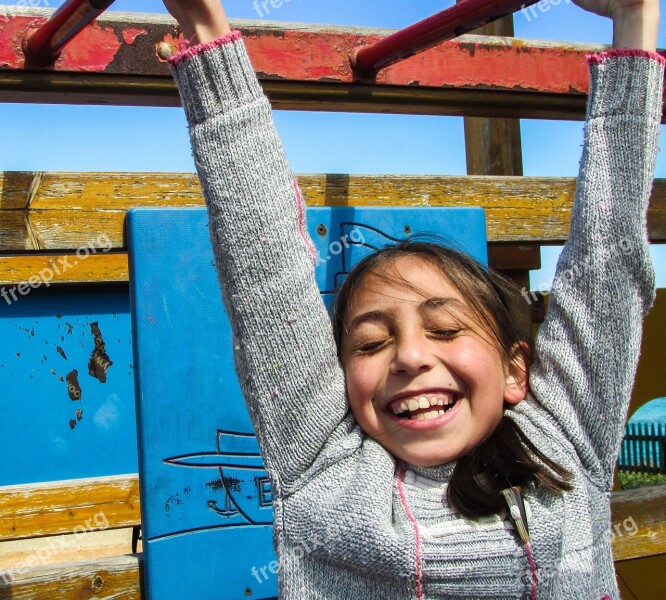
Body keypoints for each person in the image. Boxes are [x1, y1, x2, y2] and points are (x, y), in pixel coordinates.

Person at [161, 0, 663, 597]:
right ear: (339, 379)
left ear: (515, 370)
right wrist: (204, 28)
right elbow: (265, 273)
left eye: (446, 330)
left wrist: (636, 19)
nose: (409, 357)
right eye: (372, 342)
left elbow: (606, 261)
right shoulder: (326, 467)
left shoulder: (562, 444)